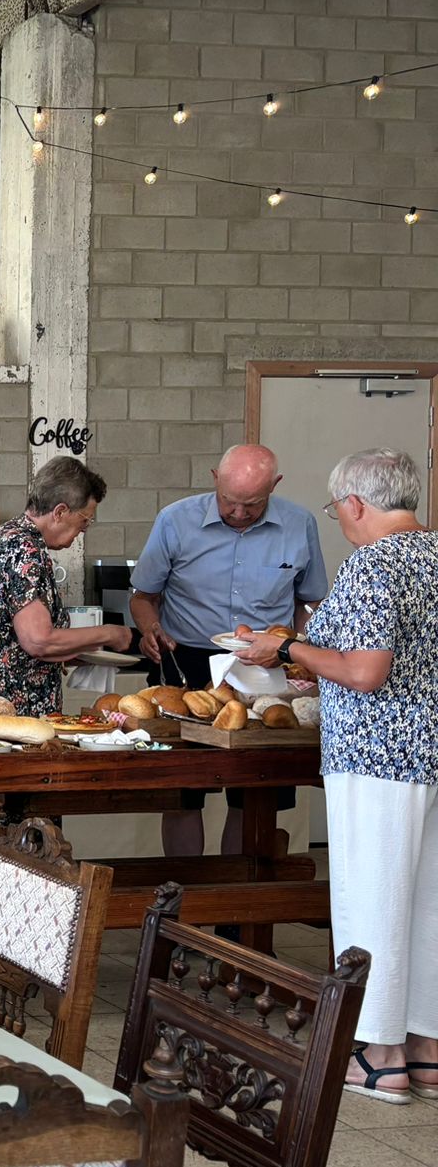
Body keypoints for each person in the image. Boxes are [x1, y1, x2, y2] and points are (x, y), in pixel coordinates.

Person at [233, 449, 438, 1105]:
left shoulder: (375, 562)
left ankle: (379, 1055)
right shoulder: (434, 555)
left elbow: (367, 671)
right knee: (427, 903)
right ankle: (427, 1049)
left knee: (373, 899)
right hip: (429, 752)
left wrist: (287, 648)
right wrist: (317, 664)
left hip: (377, 756)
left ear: (354, 503)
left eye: (336, 509)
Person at [0, 456, 145, 859]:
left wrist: (78, 652)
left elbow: (17, 641)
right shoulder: (25, 551)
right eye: (84, 521)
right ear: (60, 511)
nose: (82, 532)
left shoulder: (6, 538)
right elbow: (38, 641)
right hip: (2, 713)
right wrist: (110, 632)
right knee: (7, 842)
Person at [131, 444, 327, 858]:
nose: (238, 513)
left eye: (252, 504)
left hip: (266, 665)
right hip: (185, 662)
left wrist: (299, 653)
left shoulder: (299, 524)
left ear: (275, 485)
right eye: (229, 501)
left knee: (255, 788)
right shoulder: (175, 520)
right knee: (183, 791)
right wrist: (150, 629)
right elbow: (144, 596)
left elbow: (310, 602)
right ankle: (185, 889)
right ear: (214, 478)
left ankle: (240, 894)